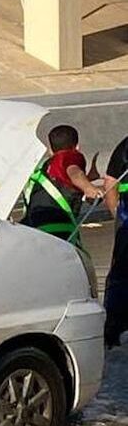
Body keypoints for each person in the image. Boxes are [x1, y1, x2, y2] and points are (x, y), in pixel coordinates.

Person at [22, 124, 103, 241]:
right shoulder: (70, 156)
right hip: (58, 229)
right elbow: (74, 172)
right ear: (77, 147)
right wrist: (89, 188)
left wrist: (89, 179)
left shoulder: (45, 168)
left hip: (34, 229)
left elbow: (62, 185)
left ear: (50, 150)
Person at [102, 134, 128, 345]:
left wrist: (116, 215)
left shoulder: (125, 146)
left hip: (126, 219)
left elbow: (110, 184)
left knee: (120, 274)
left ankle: (113, 328)